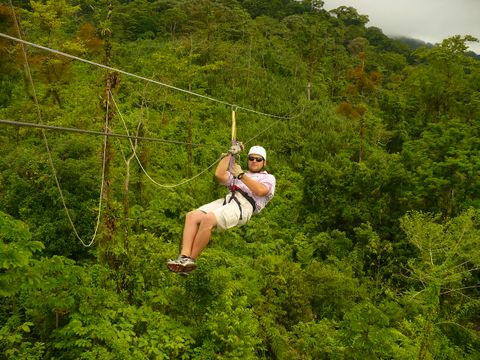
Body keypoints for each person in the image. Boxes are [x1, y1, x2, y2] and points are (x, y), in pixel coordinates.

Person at [167, 144, 276, 274]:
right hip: (229, 200)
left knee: (208, 219)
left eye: (258, 159)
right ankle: (183, 257)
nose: (254, 161)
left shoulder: (268, 178)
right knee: (192, 216)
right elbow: (219, 175)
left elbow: (260, 190)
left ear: (264, 162)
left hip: (244, 206)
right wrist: (230, 154)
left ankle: (190, 260)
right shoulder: (238, 171)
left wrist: (241, 175)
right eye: (251, 158)